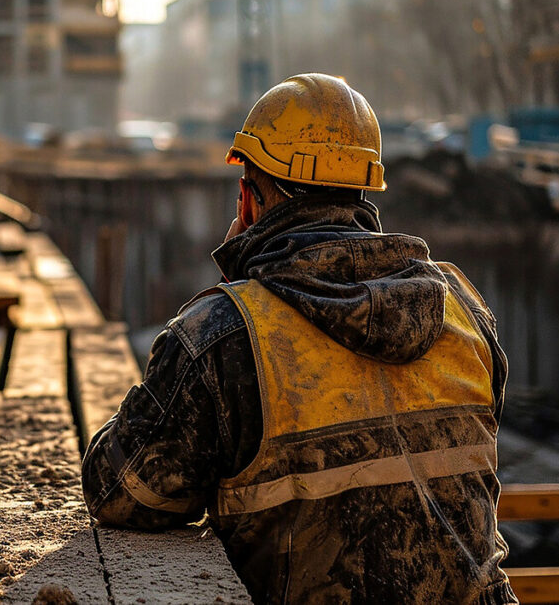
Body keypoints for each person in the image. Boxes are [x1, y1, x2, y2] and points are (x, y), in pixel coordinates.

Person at [81, 73, 517, 604]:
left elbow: (120, 490)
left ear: (248, 199)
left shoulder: (223, 335)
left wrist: (232, 308)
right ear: (363, 191)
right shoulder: (462, 309)